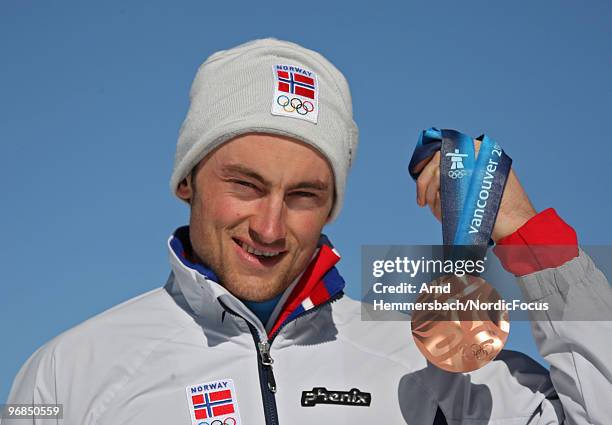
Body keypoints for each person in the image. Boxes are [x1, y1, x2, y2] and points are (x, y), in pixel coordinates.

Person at [4, 38, 611, 425]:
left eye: (302, 196)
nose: (269, 227)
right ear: (187, 180)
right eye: (245, 184)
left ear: (331, 207)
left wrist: (531, 234)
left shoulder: (434, 371)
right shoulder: (68, 372)